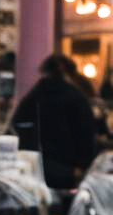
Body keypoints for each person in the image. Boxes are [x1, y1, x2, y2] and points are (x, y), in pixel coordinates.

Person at [10, 53, 96, 189]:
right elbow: (85, 133)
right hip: (69, 169)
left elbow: (17, 124)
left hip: (36, 167)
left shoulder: (34, 96)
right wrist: (83, 164)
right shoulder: (75, 97)